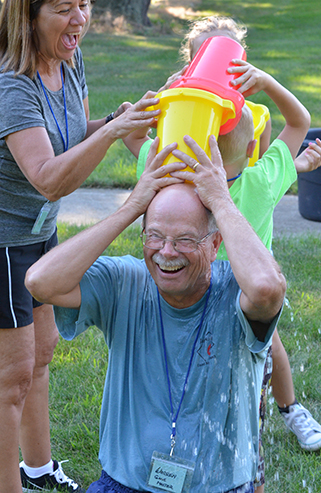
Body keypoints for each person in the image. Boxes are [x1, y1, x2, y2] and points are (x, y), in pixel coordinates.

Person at [123, 19, 321, 493]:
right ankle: (247, 463)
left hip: (227, 279)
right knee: (248, 360)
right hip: (217, 283)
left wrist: (155, 114)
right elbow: (277, 147)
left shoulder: (175, 163)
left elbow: (252, 159)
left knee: (255, 349)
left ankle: (288, 410)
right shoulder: (239, 173)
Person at [25, 133, 286, 493]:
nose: (166, 252)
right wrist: (131, 207)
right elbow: (40, 281)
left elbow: (267, 289)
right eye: (155, 236)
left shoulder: (235, 291)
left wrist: (221, 202)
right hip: (123, 484)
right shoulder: (125, 281)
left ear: (214, 245)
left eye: (184, 240)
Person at [0, 0, 162, 492]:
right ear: (27, 15)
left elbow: (68, 140)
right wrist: (113, 132)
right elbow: (49, 177)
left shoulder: (69, 60)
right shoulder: (13, 87)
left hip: (39, 230)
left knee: (43, 353)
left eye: (85, 4)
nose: (80, 19)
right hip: (4, 242)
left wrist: (118, 120)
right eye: (64, 7)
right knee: (12, 378)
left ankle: (40, 471)